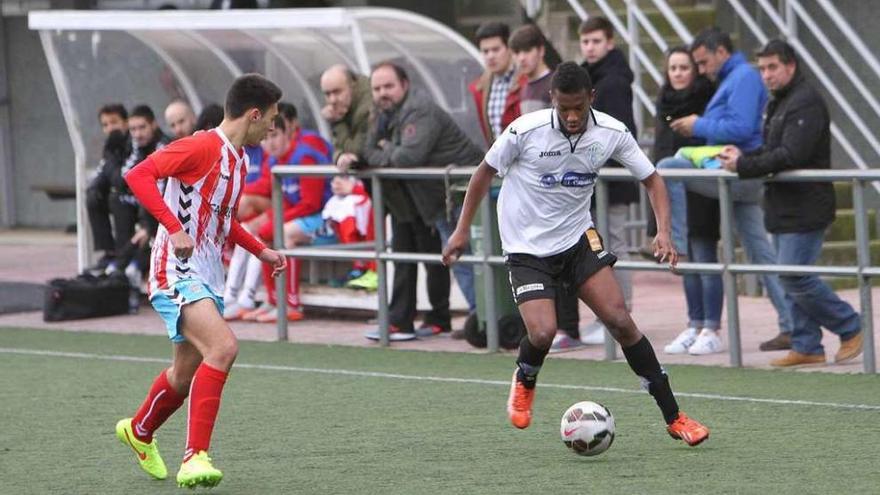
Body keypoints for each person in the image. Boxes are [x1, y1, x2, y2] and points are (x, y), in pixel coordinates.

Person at [443, 62, 708, 445]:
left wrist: (664, 232)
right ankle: (525, 377)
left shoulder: (612, 133)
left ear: (591, 99)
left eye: (578, 108)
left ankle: (675, 416)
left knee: (620, 321)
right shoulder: (524, 131)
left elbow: (652, 180)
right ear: (552, 98)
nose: (571, 116)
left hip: (577, 239)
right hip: (526, 247)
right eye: (563, 107)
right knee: (544, 331)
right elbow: (483, 172)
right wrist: (462, 230)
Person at [115, 73, 286, 488]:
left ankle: (138, 431)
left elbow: (222, 221)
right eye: (272, 120)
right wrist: (173, 228)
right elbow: (138, 175)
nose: (272, 129)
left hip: (207, 274)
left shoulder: (239, 159)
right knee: (223, 346)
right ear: (254, 114)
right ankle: (194, 457)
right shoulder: (199, 145)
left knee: (183, 374)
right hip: (174, 270)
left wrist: (259, 248)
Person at [718, 39, 863, 365]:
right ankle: (807, 344)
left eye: (773, 67)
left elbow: (790, 155)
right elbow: (772, 148)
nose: (767, 75)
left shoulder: (805, 102)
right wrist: (742, 156)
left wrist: (743, 165)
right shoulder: (781, 102)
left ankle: (850, 324)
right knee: (790, 273)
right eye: (763, 68)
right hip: (785, 205)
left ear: (790, 66)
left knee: (794, 275)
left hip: (807, 204)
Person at [657, 27, 793, 353]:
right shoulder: (735, 78)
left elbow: (743, 128)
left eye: (703, 63)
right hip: (732, 171)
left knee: (668, 168)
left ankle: (676, 244)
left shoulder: (743, 76)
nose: (702, 70)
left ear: (721, 52)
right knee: (762, 254)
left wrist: (697, 125)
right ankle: (792, 324)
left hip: (738, 173)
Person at [356, 62, 483, 340]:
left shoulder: (420, 109)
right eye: (377, 88)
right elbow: (365, 149)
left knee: (474, 259)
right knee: (460, 260)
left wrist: (385, 150)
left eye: (388, 86)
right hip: (439, 198)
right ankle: (481, 317)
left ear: (405, 85)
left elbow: (405, 159)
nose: (382, 93)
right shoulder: (383, 113)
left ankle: (488, 320)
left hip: (463, 193)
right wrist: (385, 152)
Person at [552, 16, 639, 349]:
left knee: (614, 247)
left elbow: (612, 134)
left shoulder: (613, 81)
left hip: (611, 179)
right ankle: (608, 316)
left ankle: (620, 316)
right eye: (585, 41)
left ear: (610, 42)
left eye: (596, 41)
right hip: (595, 180)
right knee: (599, 247)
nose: (589, 47)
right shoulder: (593, 78)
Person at [649, 48, 722, 355]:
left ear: (695, 71)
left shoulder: (706, 101)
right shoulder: (664, 102)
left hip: (700, 193)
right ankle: (693, 324)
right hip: (673, 198)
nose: (677, 73)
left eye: (684, 67)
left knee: (705, 260)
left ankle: (711, 327)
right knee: (685, 262)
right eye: (673, 68)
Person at [85, 103, 131, 274]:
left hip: (135, 198)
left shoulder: (132, 143)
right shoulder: (110, 146)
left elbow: (121, 181)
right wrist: (94, 188)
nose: (110, 128)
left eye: (114, 122)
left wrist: (110, 160)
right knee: (93, 197)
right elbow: (103, 173)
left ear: (125, 123)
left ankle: (123, 254)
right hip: (120, 195)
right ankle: (109, 251)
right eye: (105, 125)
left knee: (116, 199)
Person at [469, 21, 526, 145]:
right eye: (485, 51)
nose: (490, 56)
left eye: (496, 50)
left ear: (509, 49)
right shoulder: (480, 89)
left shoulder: (525, 81)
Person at [320, 64, 373, 172]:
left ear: (352, 85)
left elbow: (355, 153)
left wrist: (337, 122)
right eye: (327, 94)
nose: (332, 100)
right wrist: (339, 156)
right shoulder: (345, 106)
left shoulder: (366, 108)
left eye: (337, 92)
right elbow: (336, 149)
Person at [509, 24, 553, 114]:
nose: (521, 58)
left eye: (527, 50)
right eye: (517, 52)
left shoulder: (555, 85)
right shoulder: (523, 89)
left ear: (541, 51)